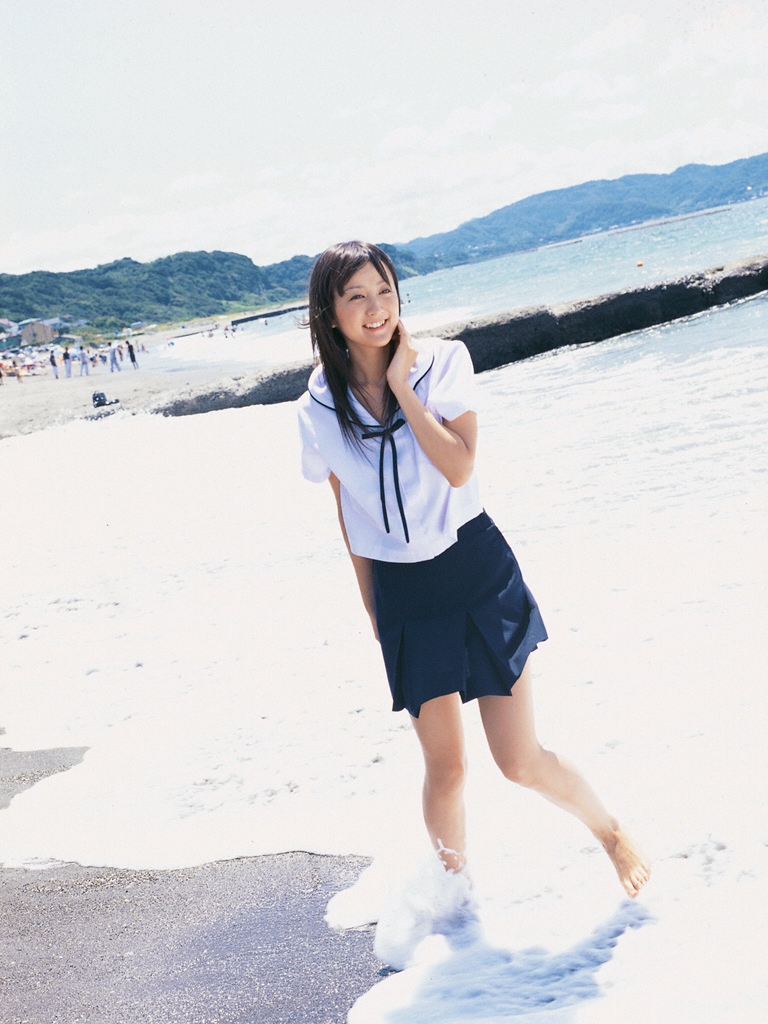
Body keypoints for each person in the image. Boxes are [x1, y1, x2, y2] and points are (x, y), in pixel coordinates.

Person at [297, 241, 650, 900]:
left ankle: (610, 832)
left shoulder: (443, 363)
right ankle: (456, 905)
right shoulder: (317, 409)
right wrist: (372, 606)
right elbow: (347, 510)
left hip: (474, 567)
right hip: (403, 588)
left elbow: (459, 466)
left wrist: (401, 386)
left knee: (518, 760)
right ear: (329, 312)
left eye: (385, 290)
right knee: (447, 769)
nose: (377, 309)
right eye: (357, 297)